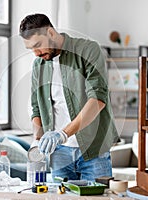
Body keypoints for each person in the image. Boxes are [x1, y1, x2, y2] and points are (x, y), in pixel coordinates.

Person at [19, 13, 119, 181]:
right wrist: (38, 140)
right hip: (59, 154)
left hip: (93, 149)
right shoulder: (39, 65)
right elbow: (36, 107)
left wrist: (62, 134)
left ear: (50, 33)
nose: (36, 53)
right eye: (31, 49)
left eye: (38, 45)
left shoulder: (88, 50)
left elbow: (97, 99)